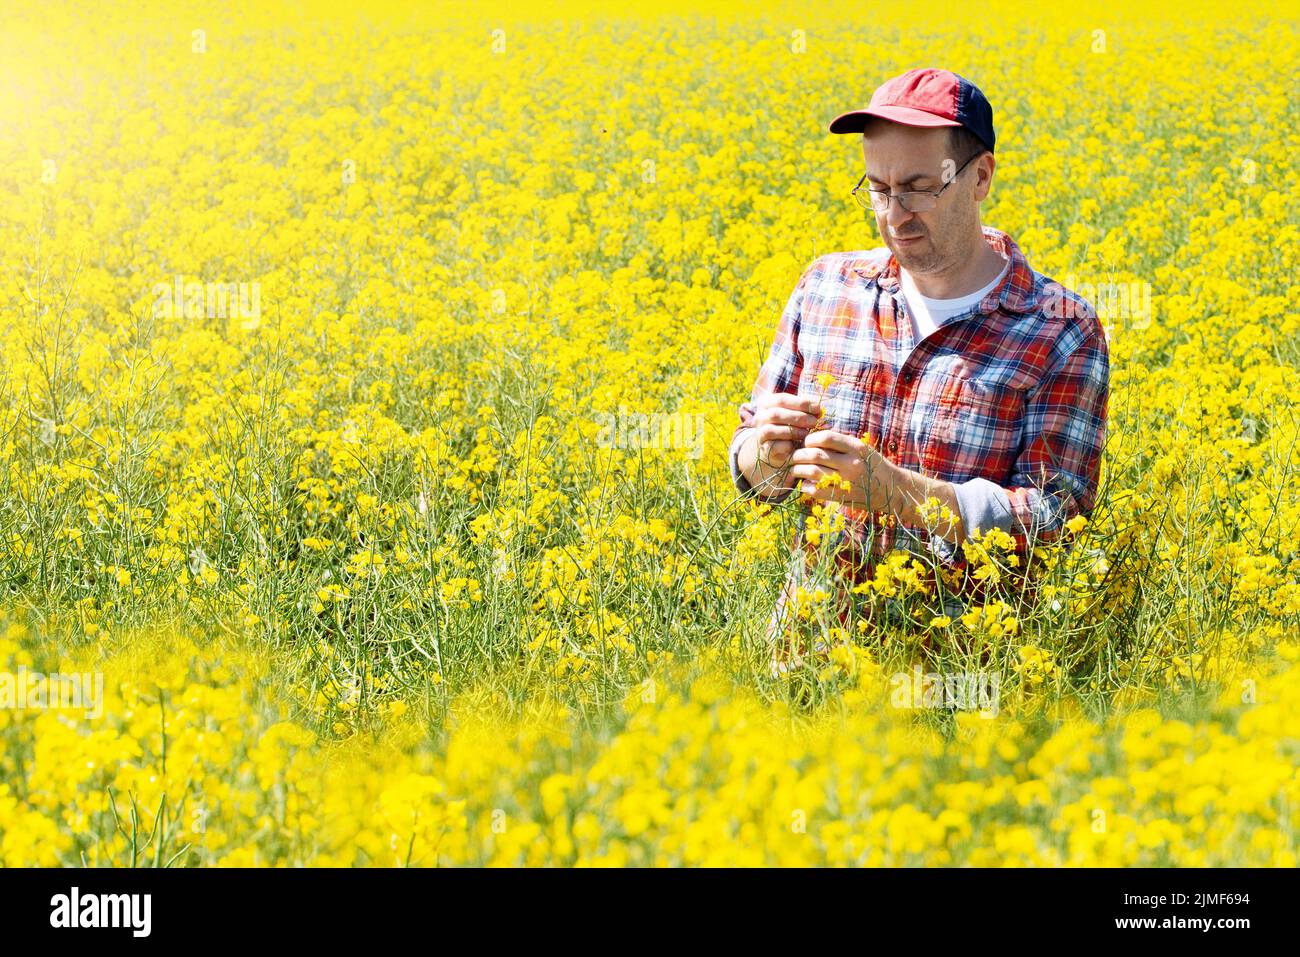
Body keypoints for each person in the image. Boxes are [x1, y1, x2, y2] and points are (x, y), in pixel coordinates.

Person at [728, 67, 1110, 670]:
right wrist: (764, 455)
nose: (894, 214)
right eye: (877, 188)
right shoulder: (825, 288)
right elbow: (752, 470)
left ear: (979, 176)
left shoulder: (1059, 328)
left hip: (962, 684)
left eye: (917, 187)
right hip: (808, 669)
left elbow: (1058, 523)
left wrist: (902, 495)